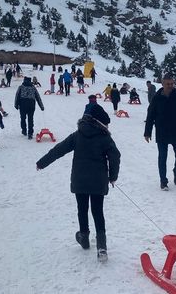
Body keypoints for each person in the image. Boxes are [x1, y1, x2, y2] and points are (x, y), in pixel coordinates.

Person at [36, 103, 120, 263]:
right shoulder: (105, 138)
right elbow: (115, 156)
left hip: (80, 180)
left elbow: (59, 149)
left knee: (82, 209)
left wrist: (42, 162)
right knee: (98, 211)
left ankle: (84, 237)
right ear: (101, 122)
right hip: (98, 181)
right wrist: (113, 176)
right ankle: (102, 247)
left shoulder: (77, 135)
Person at [144, 74, 176, 190]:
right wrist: (147, 132)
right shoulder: (156, 98)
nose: (170, 86)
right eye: (168, 84)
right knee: (162, 157)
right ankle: (163, 181)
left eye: (172, 84)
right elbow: (150, 115)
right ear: (162, 84)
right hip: (162, 132)